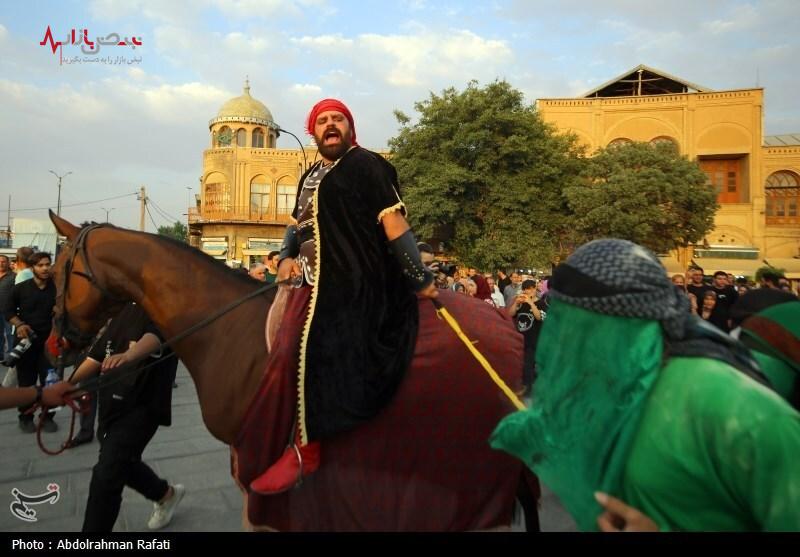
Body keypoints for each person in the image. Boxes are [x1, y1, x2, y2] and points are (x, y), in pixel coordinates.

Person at [490, 239, 800, 531]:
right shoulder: (614, 389)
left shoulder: (739, 411)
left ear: (624, 321)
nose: (563, 339)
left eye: (578, 324)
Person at [249, 99, 437, 495]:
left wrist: (420, 278)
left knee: (311, 346)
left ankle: (307, 449)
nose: (330, 125)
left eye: (338, 119)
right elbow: (295, 227)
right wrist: (284, 258)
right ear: (313, 130)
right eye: (323, 120)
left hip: (358, 281)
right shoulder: (310, 175)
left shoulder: (366, 164)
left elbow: (393, 222)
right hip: (310, 282)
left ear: (350, 128)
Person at [69, 302, 183, 532]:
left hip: (143, 405)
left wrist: (129, 354)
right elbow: (96, 356)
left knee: (107, 472)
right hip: (111, 403)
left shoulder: (164, 305)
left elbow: (155, 335)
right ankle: (165, 494)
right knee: (121, 461)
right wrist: (68, 385)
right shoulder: (120, 309)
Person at [4, 252, 57, 433]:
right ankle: (26, 417)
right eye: (40, 265)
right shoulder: (21, 288)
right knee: (26, 381)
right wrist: (19, 324)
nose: (45, 268)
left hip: (49, 342)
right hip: (26, 340)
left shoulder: (57, 289)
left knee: (51, 380)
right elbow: (7, 310)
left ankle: (48, 417)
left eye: (47, 264)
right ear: (33, 267)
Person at [507, 279, 547, 395]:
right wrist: (516, 303)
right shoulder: (520, 303)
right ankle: (530, 384)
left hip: (534, 339)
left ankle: (527, 387)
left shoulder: (541, 303)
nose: (528, 291)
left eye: (530, 289)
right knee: (523, 363)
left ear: (535, 289)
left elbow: (539, 317)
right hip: (520, 339)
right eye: (526, 289)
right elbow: (510, 314)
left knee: (528, 364)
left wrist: (531, 303)